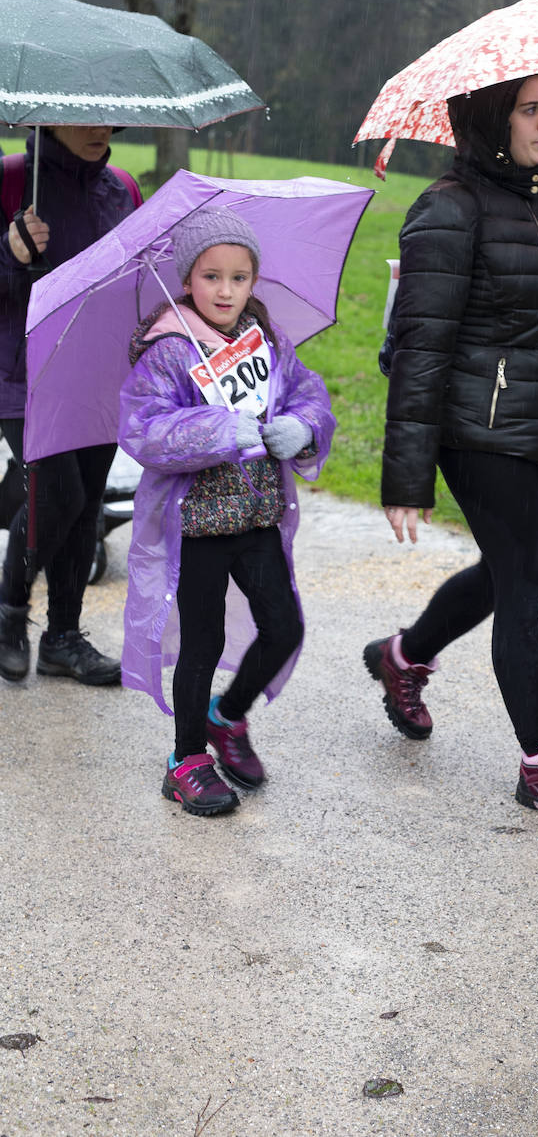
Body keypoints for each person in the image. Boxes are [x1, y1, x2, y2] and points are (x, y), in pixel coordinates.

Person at [363, 71, 538, 827]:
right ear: (490, 117)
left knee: (512, 568)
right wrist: (405, 475)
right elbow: (418, 351)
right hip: (478, 430)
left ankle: (403, 657)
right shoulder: (444, 211)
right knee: (522, 588)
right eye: (530, 110)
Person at [118, 207, 335, 816]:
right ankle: (186, 760)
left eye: (239, 277)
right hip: (198, 528)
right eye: (212, 276)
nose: (226, 290)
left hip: (257, 516)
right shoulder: (166, 351)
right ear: (188, 279)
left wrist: (302, 425)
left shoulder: (264, 340)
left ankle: (227, 716)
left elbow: (306, 392)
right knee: (203, 644)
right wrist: (218, 427)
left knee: (285, 626)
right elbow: (145, 429)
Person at [0, 125, 138, 685]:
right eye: (82, 114)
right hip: (24, 375)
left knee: (84, 509)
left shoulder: (123, 188)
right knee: (57, 494)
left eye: (106, 114)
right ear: (49, 116)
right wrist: (9, 254)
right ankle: (9, 615)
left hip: (98, 375)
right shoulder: (10, 180)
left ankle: (63, 638)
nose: (97, 126)